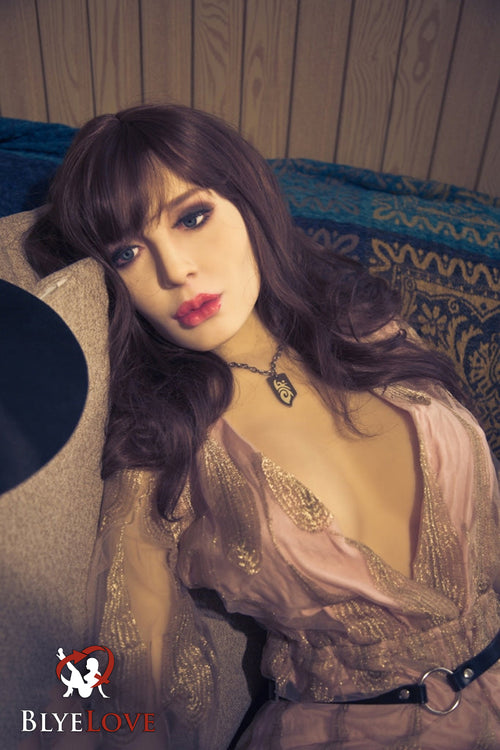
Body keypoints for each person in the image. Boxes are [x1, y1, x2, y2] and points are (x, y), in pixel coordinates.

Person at [25, 104, 500, 749]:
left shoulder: (368, 330)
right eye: (129, 253)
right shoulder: (164, 449)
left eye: (192, 217)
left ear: (247, 200)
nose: (175, 271)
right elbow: (130, 675)